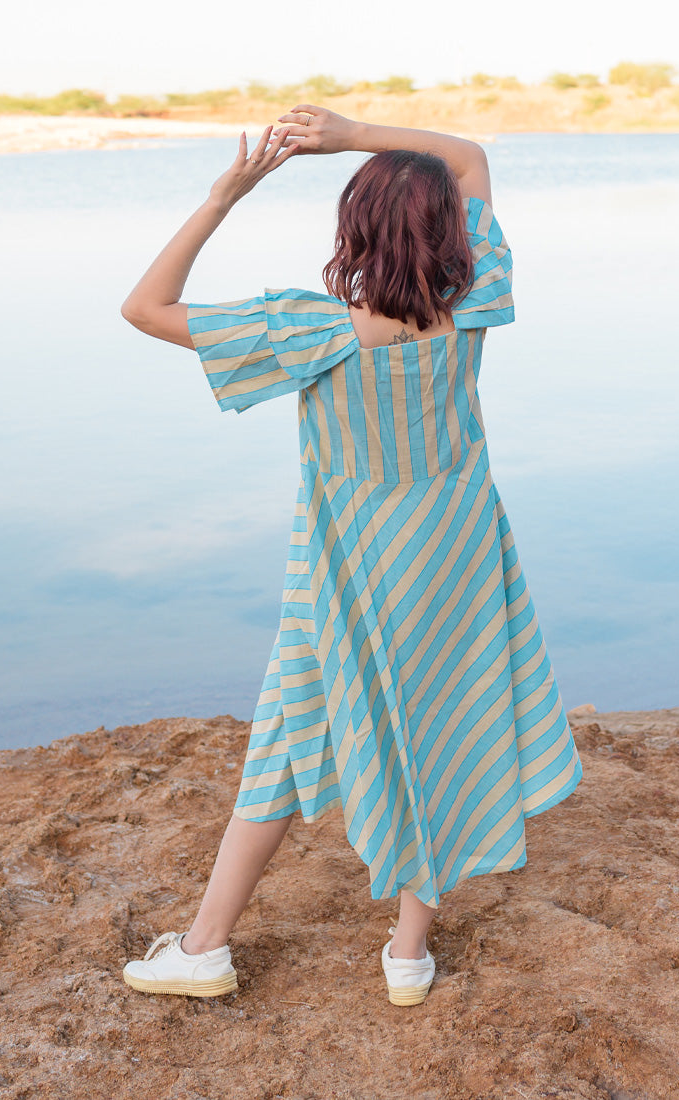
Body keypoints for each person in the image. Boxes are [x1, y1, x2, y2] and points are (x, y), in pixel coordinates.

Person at [119, 105, 583, 1007]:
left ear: (354, 231)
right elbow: (468, 154)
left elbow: (145, 308)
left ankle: (206, 946)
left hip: (348, 572)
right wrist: (352, 132)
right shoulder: (475, 301)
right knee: (438, 727)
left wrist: (224, 196)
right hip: (455, 560)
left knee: (285, 734)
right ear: (453, 233)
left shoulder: (312, 332)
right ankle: (408, 954)